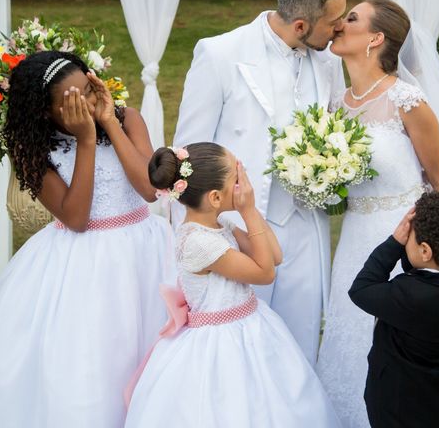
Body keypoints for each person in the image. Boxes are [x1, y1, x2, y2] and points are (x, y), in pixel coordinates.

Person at [0, 51, 172, 428]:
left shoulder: (127, 119)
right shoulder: (35, 152)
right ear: (45, 113)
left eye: (88, 90)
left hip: (146, 254)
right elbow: (76, 218)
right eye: (71, 103)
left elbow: (151, 191)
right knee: (95, 364)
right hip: (84, 267)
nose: (85, 104)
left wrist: (108, 124)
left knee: (155, 354)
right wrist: (86, 141)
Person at [172, 0, 347, 364]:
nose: (340, 28)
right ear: (301, 25)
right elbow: (188, 154)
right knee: (240, 352)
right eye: (333, 21)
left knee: (299, 347)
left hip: (306, 227)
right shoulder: (219, 54)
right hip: (234, 232)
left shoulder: (330, 63)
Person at [124, 142, 341, 427]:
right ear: (215, 197)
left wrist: (246, 213)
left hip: (252, 326)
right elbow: (265, 273)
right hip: (220, 344)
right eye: (237, 179)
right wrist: (249, 210)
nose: (244, 183)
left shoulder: (221, 222)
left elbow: (274, 257)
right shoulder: (199, 243)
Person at [315, 0, 439, 427]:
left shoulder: (407, 100)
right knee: (349, 331)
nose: (339, 24)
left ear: (376, 38)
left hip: (405, 241)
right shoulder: (336, 105)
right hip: (356, 237)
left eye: (351, 18)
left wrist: (429, 258)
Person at [349, 191, 439, 428]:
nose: (404, 239)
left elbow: (361, 289)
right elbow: (419, 267)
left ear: (425, 251)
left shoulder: (411, 295)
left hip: (397, 406)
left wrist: (393, 243)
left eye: (408, 237)